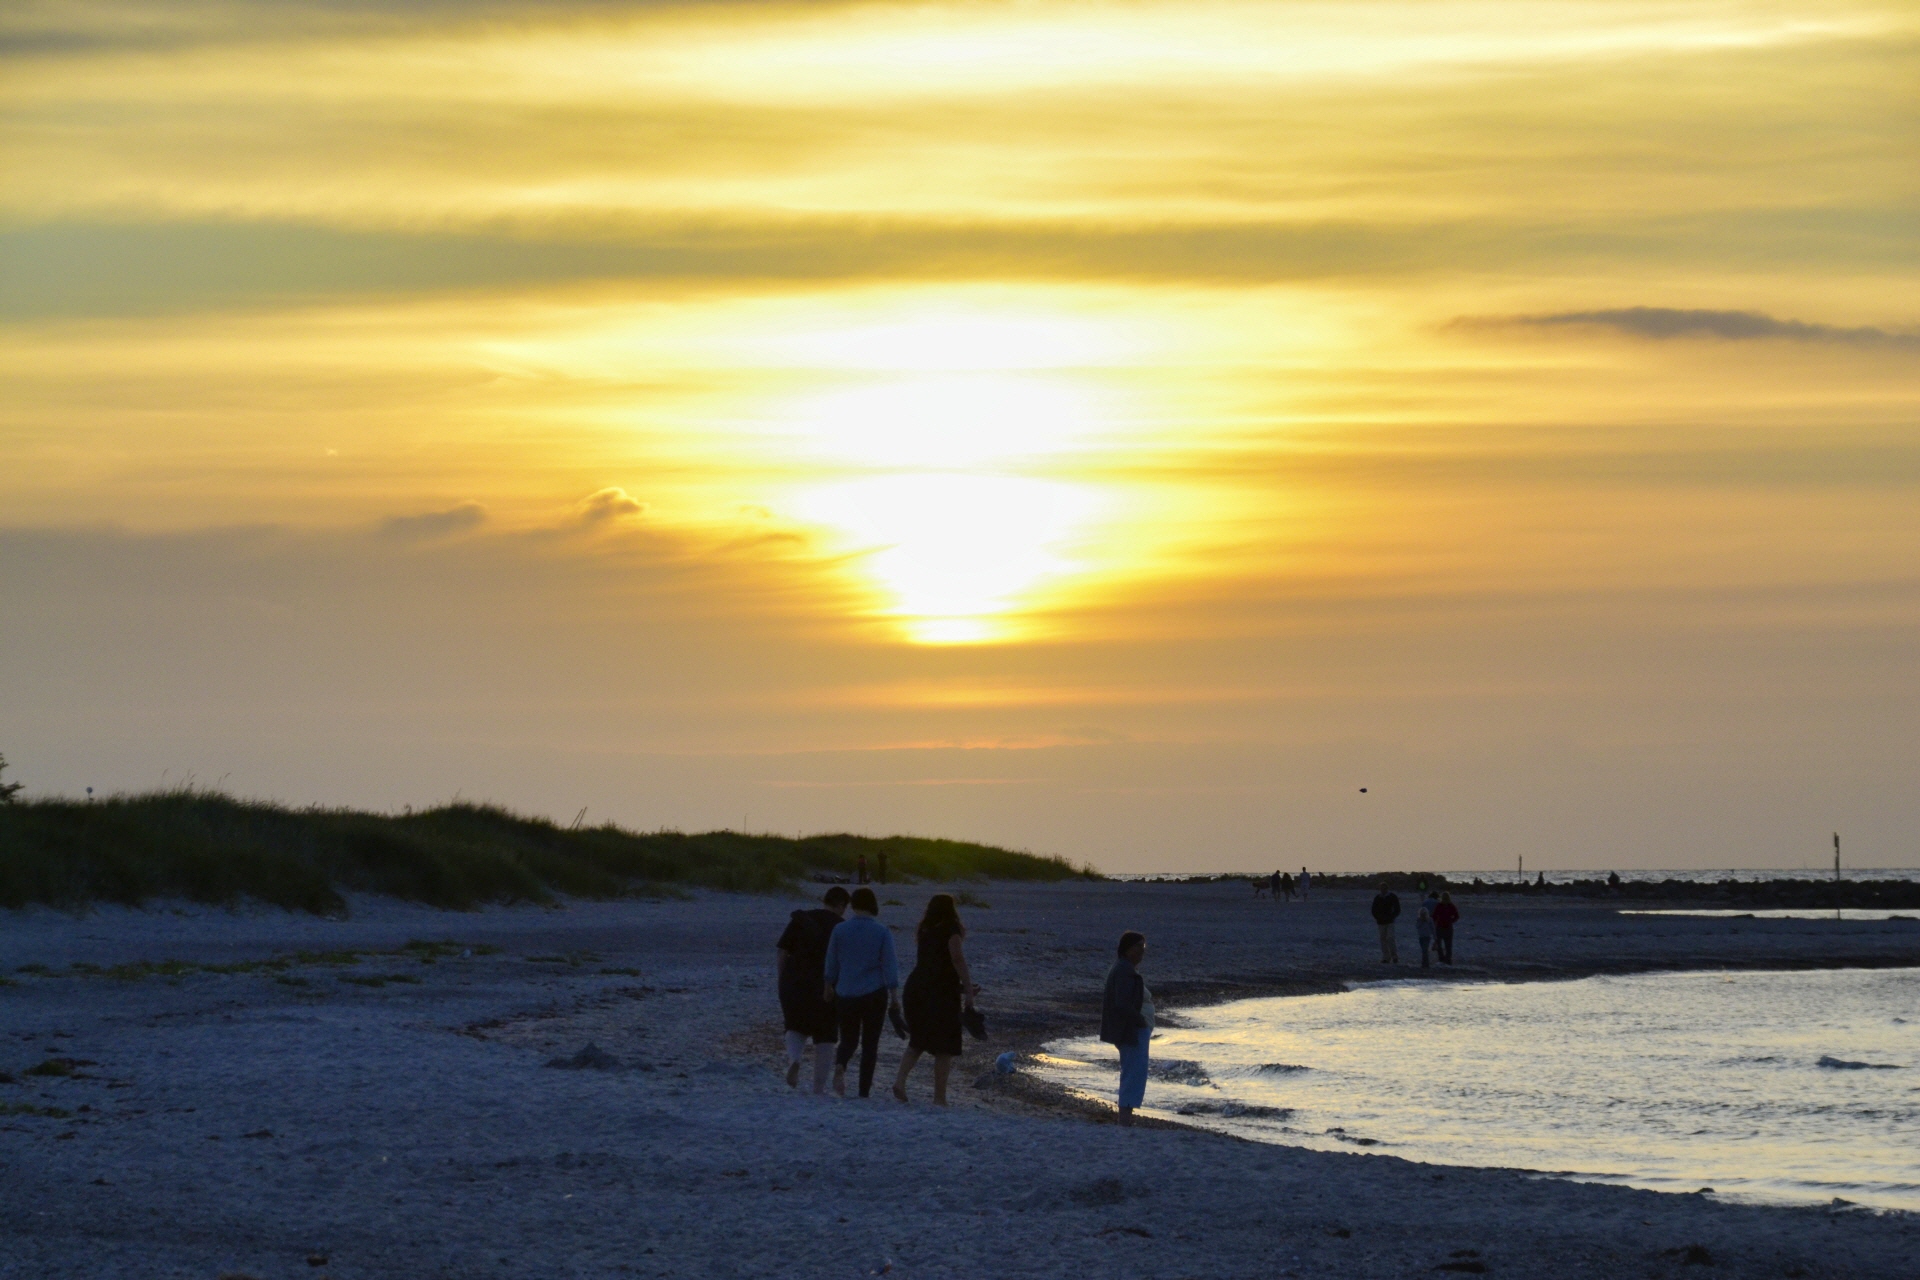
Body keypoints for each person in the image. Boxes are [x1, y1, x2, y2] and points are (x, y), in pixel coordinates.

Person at [892, 894, 974, 1105]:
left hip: (917, 988)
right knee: (944, 1047)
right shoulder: (951, 929)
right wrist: (968, 988)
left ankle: (900, 1081)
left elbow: (933, 965)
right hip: (940, 993)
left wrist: (961, 987)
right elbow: (956, 958)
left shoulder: (925, 929)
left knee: (918, 1039)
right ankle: (939, 1098)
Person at [823, 887, 900, 1097]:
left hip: (845, 992)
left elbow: (831, 962)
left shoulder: (840, 930)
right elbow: (889, 966)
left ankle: (840, 1064)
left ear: (853, 905)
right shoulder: (882, 931)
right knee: (870, 1044)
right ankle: (863, 1092)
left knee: (848, 1039)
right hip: (873, 993)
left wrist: (828, 985)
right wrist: (894, 996)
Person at [776, 886, 850, 1092]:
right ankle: (818, 1087)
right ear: (841, 905)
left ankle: (795, 1060)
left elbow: (782, 952)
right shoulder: (841, 926)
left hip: (794, 979)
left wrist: (782, 979)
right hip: (826, 983)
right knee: (826, 1034)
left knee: (794, 1025)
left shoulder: (801, 918)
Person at [1099, 931, 1152, 1126]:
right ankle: (1125, 1119)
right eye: (1139, 947)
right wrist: (1140, 1020)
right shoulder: (1123, 970)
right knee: (1133, 1073)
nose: (1142, 952)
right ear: (1127, 949)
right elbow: (1121, 1003)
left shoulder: (1125, 968)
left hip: (1131, 1029)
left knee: (1134, 1073)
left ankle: (1126, 1117)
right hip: (1131, 1030)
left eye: (1143, 948)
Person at [1370, 881, 1401, 963]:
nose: (1383, 890)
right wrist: (1377, 917)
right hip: (1381, 922)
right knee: (1383, 939)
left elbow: (1397, 909)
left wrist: (1392, 916)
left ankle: (1394, 956)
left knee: (1390, 938)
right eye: (1381, 889)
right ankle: (1386, 957)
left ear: (1387, 889)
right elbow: (1373, 909)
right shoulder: (1377, 898)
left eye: (1384, 888)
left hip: (1390, 921)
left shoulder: (1392, 896)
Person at [1432, 891, 1460, 964]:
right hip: (1447, 927)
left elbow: (1434, 916)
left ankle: (1442, 958)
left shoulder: (1440, 905)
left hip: (1441, 927)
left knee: (1440, 944)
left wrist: (1435, 922)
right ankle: (1447, 959)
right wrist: (1451, 920)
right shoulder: (1450, 906)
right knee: (1448, 945)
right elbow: (1457, 916)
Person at [1415, 903, 1435, 969]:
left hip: (1427, 937)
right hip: (1421, 937)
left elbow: (1432, 928)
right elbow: (1417, 927)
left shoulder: (1430, 920)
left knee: (1425, 950)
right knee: (1424, 950)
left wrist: (1435, 936)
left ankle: (1425, 964)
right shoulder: (1419, 920)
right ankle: (1425, 963)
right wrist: (1421, 921)